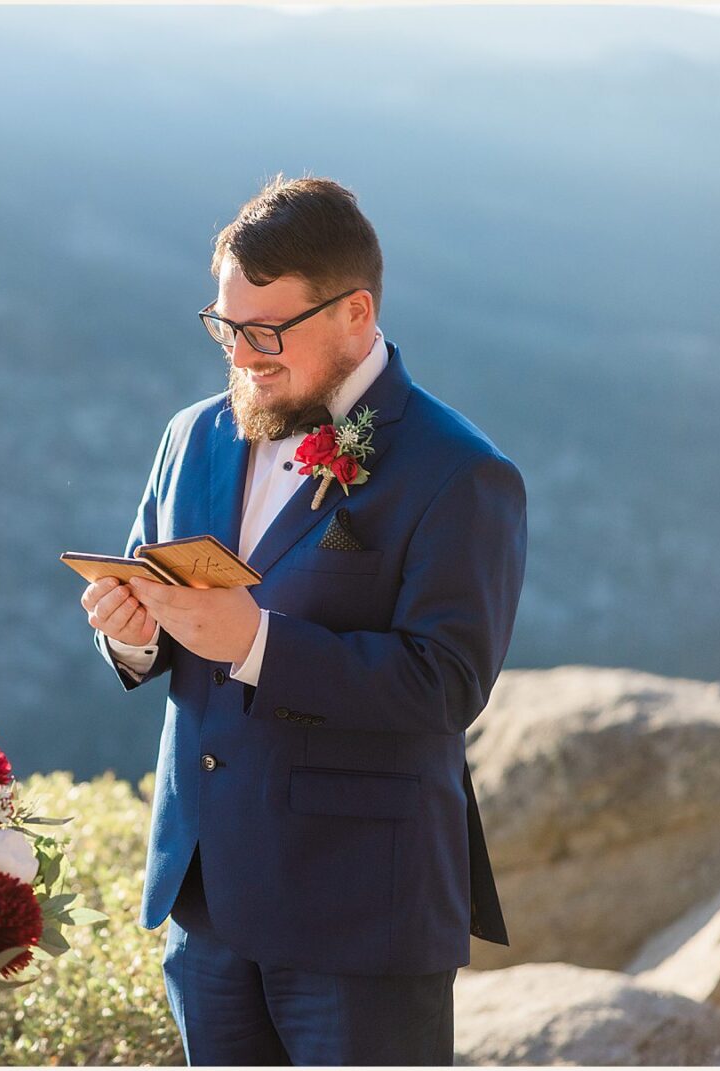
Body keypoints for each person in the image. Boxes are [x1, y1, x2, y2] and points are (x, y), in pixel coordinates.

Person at [81, 175, 525, 1065]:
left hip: (359, 916)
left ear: (356, 314)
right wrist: (129, 631)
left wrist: (255, 642)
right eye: (225, 326)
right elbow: (162, 622)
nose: (242, 355)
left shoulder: (459, 472)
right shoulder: (191, 436)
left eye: (266, 332)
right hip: (205, 905)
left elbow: (445, 685)